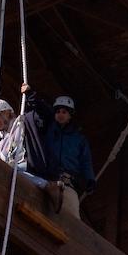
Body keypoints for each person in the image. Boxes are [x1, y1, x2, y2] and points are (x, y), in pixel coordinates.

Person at [22, 86, 96, 218]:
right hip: (49, 182)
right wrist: (30, 95)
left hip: (68, 185)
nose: (60, 115)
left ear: (70, 115)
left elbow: (85, 161)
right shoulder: (48, 128)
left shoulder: (79, 139)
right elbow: (41, 109)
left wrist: (89, 179)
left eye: (64, 112)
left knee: (72, 222)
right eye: (58, 112)